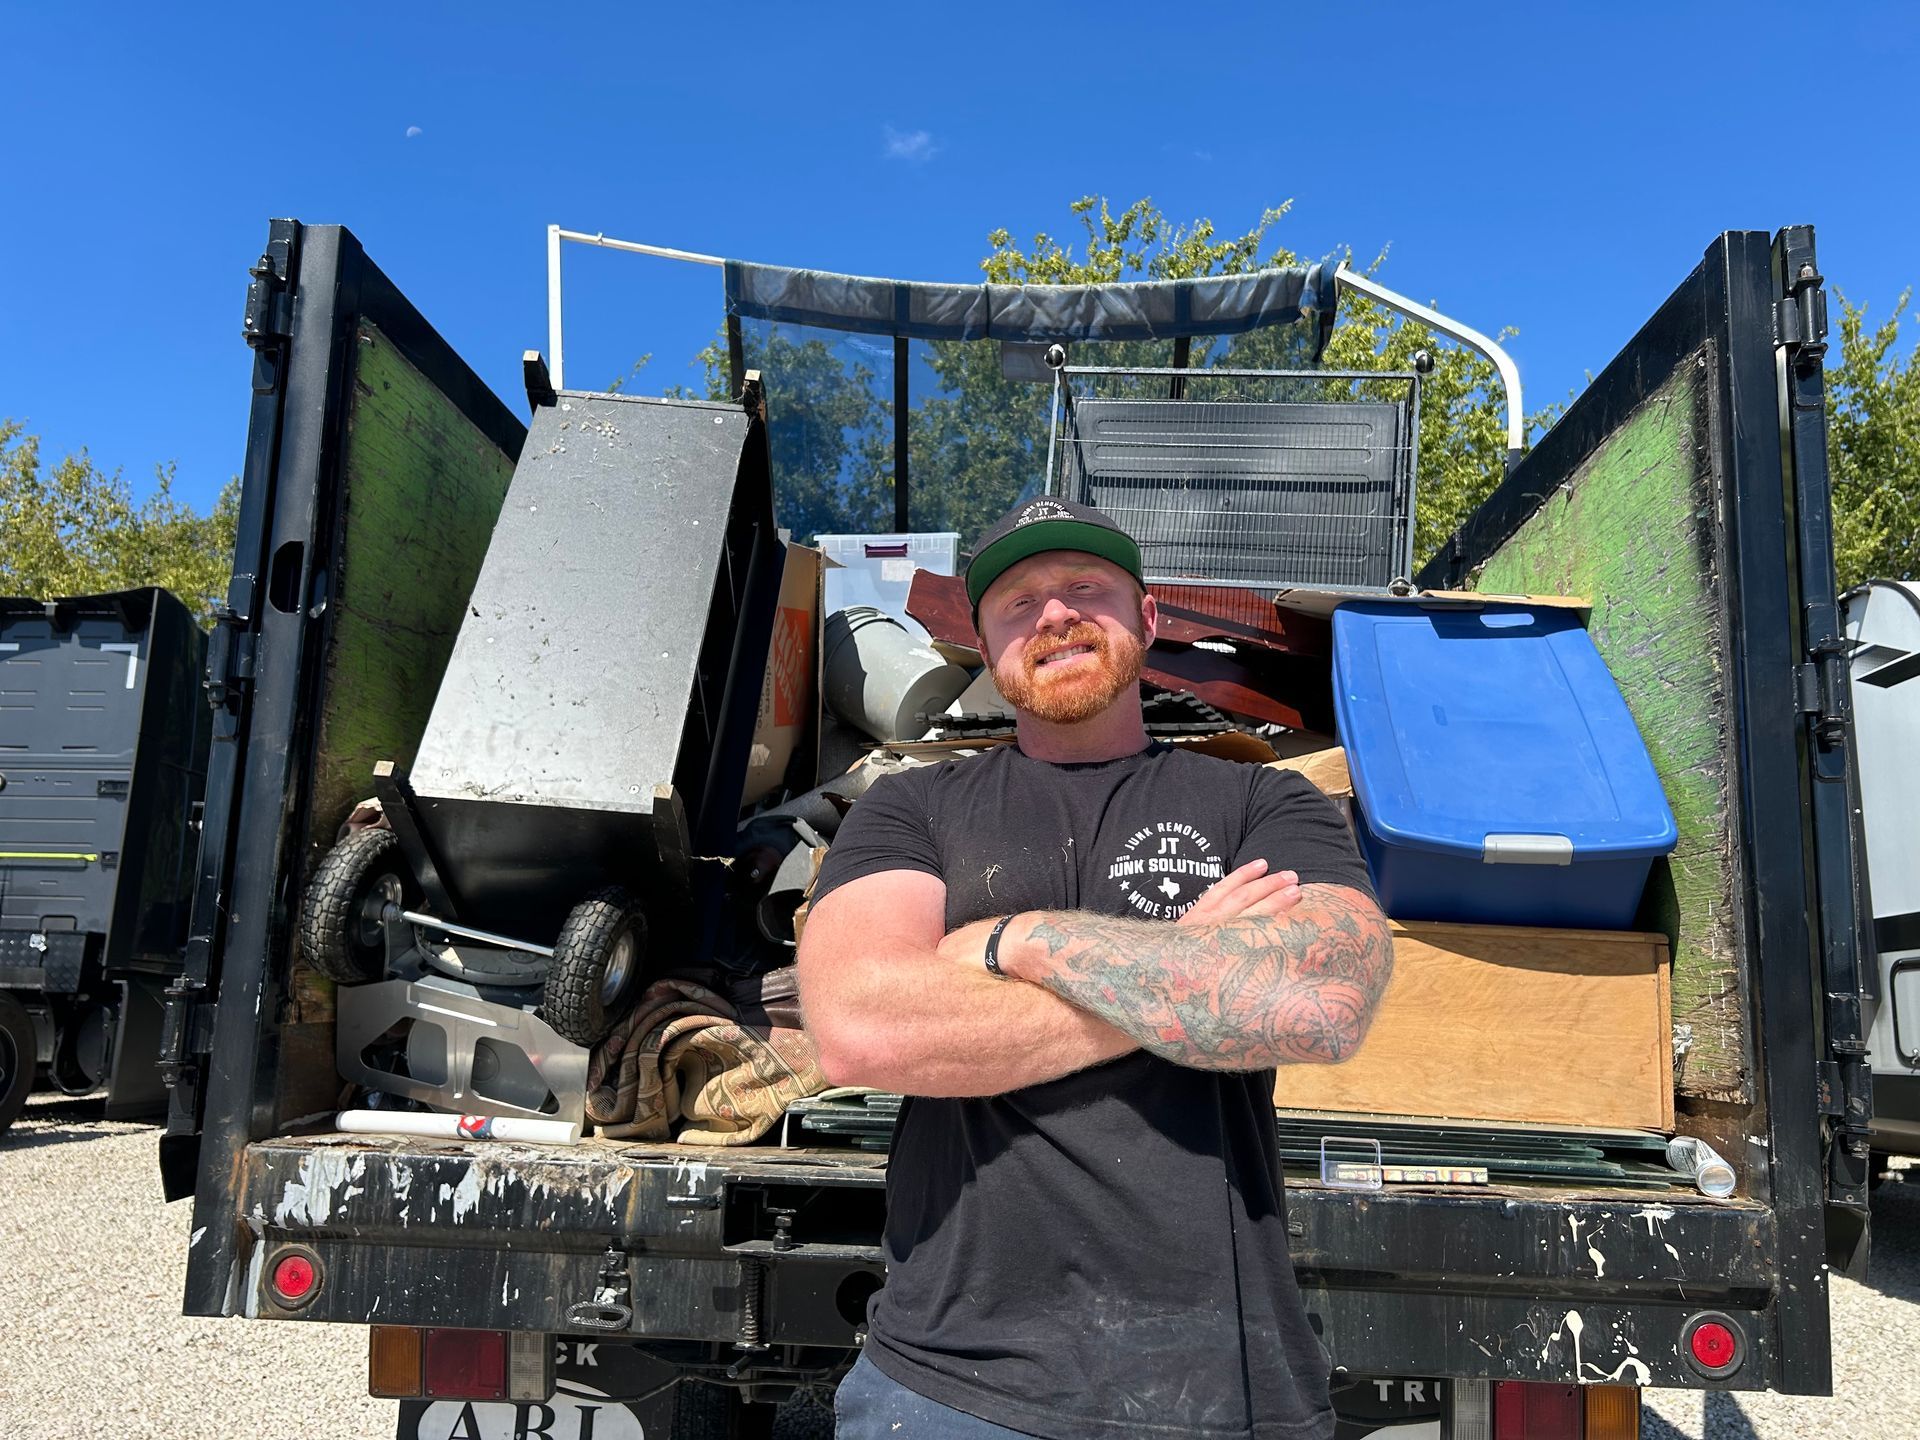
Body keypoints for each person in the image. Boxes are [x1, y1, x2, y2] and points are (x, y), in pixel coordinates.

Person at [797, 497, 1394, 1440]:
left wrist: (1016, 944)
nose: (1055, 615)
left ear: (1147, 620)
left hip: (1224, 1383)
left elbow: (1321, 1002)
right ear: (987, 648)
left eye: (1086, 587)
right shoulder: (912, 807)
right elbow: (860, 1028)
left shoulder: (1261, 800)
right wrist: (1194, 968)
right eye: (1018, 602)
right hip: (949, 1382)